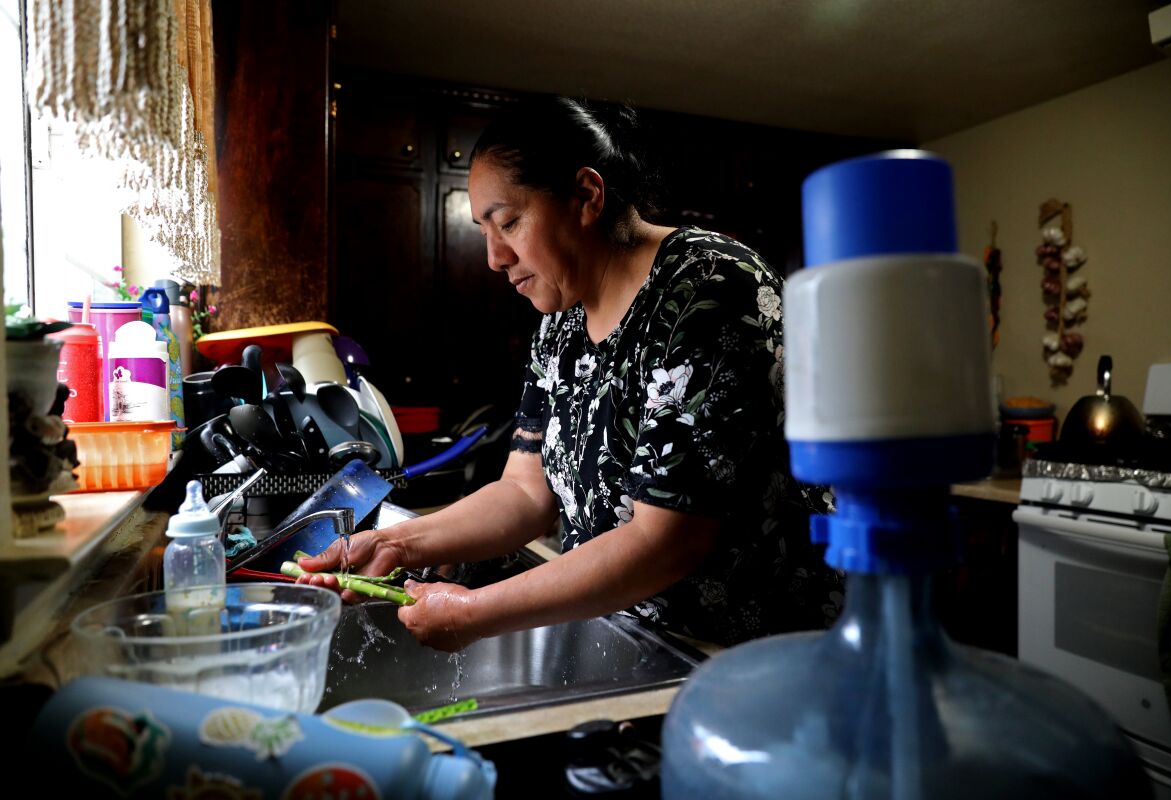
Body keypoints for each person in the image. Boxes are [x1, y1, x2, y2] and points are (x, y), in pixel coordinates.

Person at [297, 96, 843, 650]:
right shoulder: (561, 321)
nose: (494, 257)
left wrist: (473, 612)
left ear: (586, 196)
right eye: (484, 229)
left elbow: (666, 541)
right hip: (639, 634)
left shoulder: (709, 292)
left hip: (757, 653)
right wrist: (399, 545)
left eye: (507, 222)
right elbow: (525, 491)